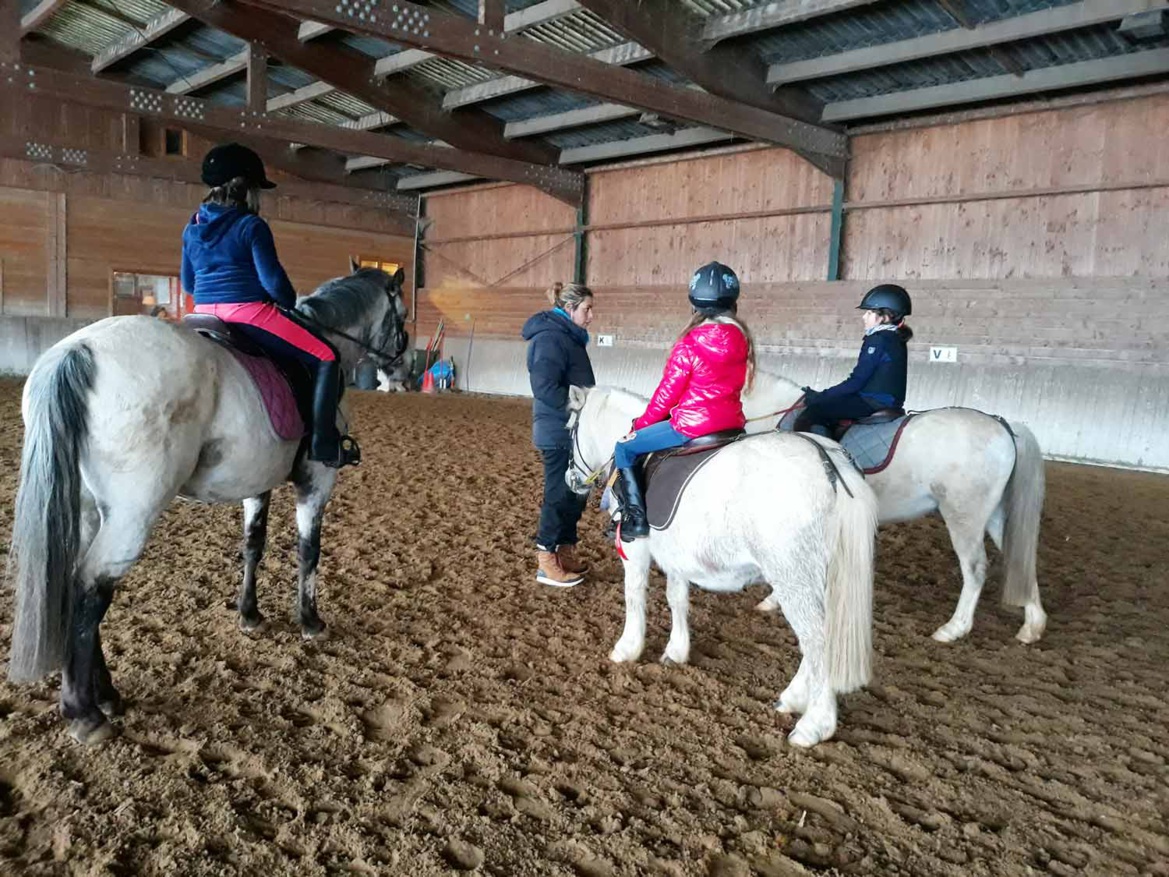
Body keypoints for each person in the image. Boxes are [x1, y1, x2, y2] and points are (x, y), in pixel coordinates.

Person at [181, 143, 358, 468]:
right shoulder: (251, 226)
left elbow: (189, 284)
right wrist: (285, 300)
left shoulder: (191, 228)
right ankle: (323, 443)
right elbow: (275, 283)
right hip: (246, 314)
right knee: (326, 355)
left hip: (201, 315)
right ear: (246, 187)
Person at [613, 262, 754, 542]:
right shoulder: (741, 337)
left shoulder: (689, 343)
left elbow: (666, 396)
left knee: (624, 448)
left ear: (694, 305)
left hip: (691, 426)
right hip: (732, 425)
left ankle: (636, 520)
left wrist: (640, 425)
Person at [522, 282, 596, 587]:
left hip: (573, 428)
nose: (591, 316)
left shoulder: (567, 337)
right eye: (587, 309)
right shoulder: (550, 338)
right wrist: (578, 405)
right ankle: (546, 559)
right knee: (558, 494)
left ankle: (565, 550)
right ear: (569, 308)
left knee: (576, 493)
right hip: (557, 429)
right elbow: (544, 387)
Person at [794, 284, 913, 436]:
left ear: (885, 316)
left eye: (869, 312)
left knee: (814, 412)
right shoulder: (895, 337)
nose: (864, 317)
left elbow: (856, 382)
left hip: (872, 401)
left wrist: (821, 396)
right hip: (888, 401)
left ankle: (828, 451)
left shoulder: (878, 340)